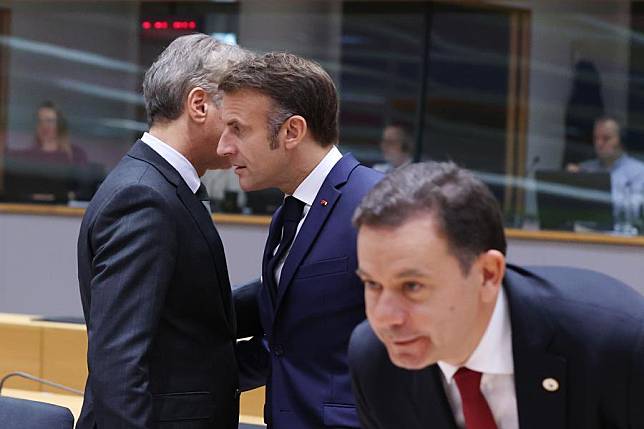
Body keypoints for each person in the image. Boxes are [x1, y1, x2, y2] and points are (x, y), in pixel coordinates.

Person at [349, 161, 644, 429]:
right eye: (373, 284)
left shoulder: (616, 345)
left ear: (488, 274)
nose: (385, 318)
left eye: (412, 286)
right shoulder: (376, 362)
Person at [76, 34, 250, 429]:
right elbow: (118, 361)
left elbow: (183, 315)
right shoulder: (144, 196)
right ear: (199, 105)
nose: (241, 128)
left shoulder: (159, 184)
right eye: (236, 113)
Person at [216, 52, 382, 428]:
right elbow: (288, 342)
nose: (224, 146)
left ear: (292, 131)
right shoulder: (287, 214)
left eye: (238, 129)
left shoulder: (379, 205)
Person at [567, 116, 644, 214]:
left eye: (606, 138)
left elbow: (636, 210)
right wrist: (570, 180)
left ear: (620, 140)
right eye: (596, 138)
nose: (599, 143)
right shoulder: (584, 169)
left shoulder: (639, 171)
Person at [15, 101, 87, 165]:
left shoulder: (77, 154)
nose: (44, 126)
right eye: (39, 121)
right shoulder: (26, 156)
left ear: (60, 125)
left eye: (49, 121)